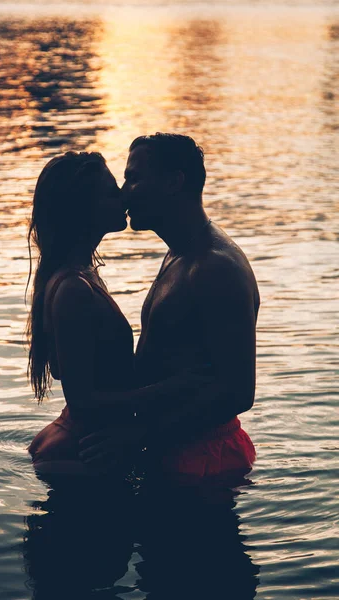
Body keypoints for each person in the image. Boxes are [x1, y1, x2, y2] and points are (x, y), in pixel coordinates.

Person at [79, 133, 259, 484]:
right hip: (169, 448)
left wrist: (137, 439)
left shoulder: (216, 268)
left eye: (134, 178)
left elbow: (238, 391)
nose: (124, 191)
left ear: (174, 182)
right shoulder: (181, 251)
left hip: (204, 461)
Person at [25, 150, 208, 477]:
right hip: (82, 453)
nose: (124, 195)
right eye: (112, 191)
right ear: (84, 209)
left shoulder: (82, 274)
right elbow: (83, 400)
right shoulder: (73, 290)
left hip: (88, 445)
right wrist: (178, 386)